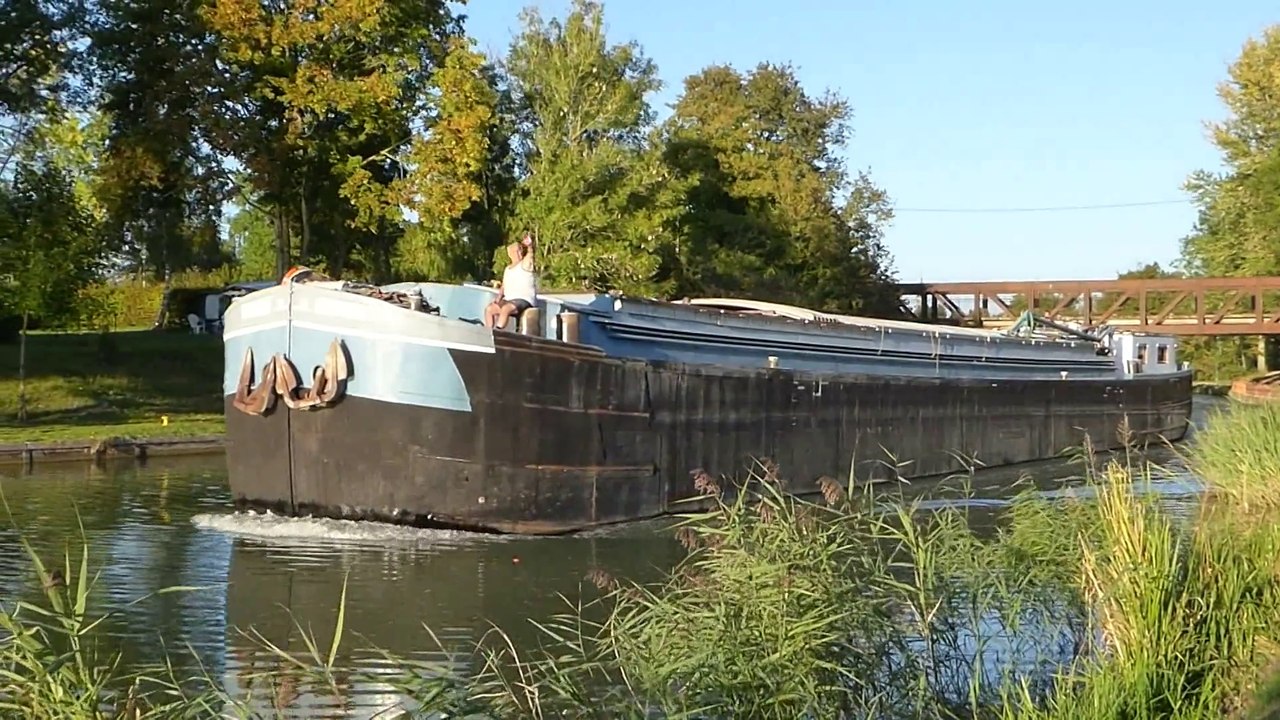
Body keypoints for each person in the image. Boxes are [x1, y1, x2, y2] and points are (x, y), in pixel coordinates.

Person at [483, 234, 538, 330]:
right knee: (489, 309)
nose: (518, 254)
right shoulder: (508, 269)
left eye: (519, 250)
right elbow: (503, 286)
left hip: (523, 299)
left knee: (505, 309)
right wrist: (498, 299)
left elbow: (531, 255)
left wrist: (529, 246)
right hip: (509, 299)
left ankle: (498, 331)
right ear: (510, 254)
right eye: (515, 252)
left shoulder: (525, 264)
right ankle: (488, 332)